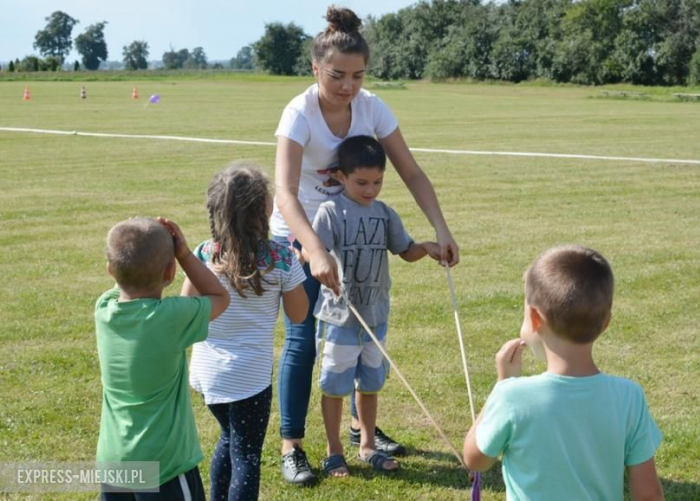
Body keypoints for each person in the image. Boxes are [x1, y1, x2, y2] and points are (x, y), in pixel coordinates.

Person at [272, 6, 459, 485]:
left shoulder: (372, 107)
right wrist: (315, 251)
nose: (348, 86)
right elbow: (285, 193)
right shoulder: (299, 113)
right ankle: (293, 446)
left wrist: (440, 229)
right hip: (301, 233)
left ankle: (363, 431)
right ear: (315, 68)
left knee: (362, 333)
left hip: (355, 231)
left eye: (357, 76)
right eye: (337, 75)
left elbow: (411, 171)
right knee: (304, 340)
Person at [463, 246, 665, 501]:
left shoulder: (511, 395)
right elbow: (648, 494)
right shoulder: (629, 397)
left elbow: (475, 460)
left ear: (535, 318)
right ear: (605, 324)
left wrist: (502, 384)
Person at [302, 135, 441, 476]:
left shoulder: (384, 213)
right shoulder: (331, 212)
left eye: (377, 182)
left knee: (370, 385)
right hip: (340, 319)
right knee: (334, 387)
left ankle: (366, 446)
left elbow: (404, 250)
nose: (370, 189)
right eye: (362, 182)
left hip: (375, 317)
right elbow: (313, 253)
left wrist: (426, 247)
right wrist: (314, 258)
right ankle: (334, 451)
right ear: (341, 177)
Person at [185, 164, 309, 500]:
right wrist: (296, 269)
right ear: (264, 208)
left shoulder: (203, 253)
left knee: (229, 438)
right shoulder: (281, 258)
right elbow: (299, 315)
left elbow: (186, 308)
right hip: (250, 379)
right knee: (247, 456)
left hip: (208, 374)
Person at [95, 217, 230, 501]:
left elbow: (125, 279)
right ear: (170, 273)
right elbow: (219, 296)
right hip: (164, 466)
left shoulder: (104, 310)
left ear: (110, 270)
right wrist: (185, 254)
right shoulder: (170, 318)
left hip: (114, 462)